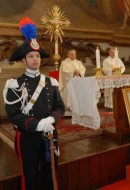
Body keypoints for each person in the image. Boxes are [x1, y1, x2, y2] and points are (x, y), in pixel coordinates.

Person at [3, 17, 65, 190]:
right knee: (29, 175)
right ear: (24, 60)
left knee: (50, 173)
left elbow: (60, 106)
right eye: (31, 56)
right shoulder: (14, 84)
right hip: (27, 137)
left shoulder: (50, 82)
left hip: (50, 135)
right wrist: (37, 125)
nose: (35, 59)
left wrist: (51, 120)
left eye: (37, 56)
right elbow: (13, 114)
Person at [59, 49, 86, 113]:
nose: (73, 56)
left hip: (78, 82)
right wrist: (73, 72)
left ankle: (78, 110)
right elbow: (64, 72)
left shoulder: (78, 62)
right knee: (69, 94)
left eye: (74, 54)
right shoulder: (64, 62)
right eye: (71, 54)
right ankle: (69, 111)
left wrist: (79, 73)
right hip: (68, 83)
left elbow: (83, 69)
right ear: (68, 55)